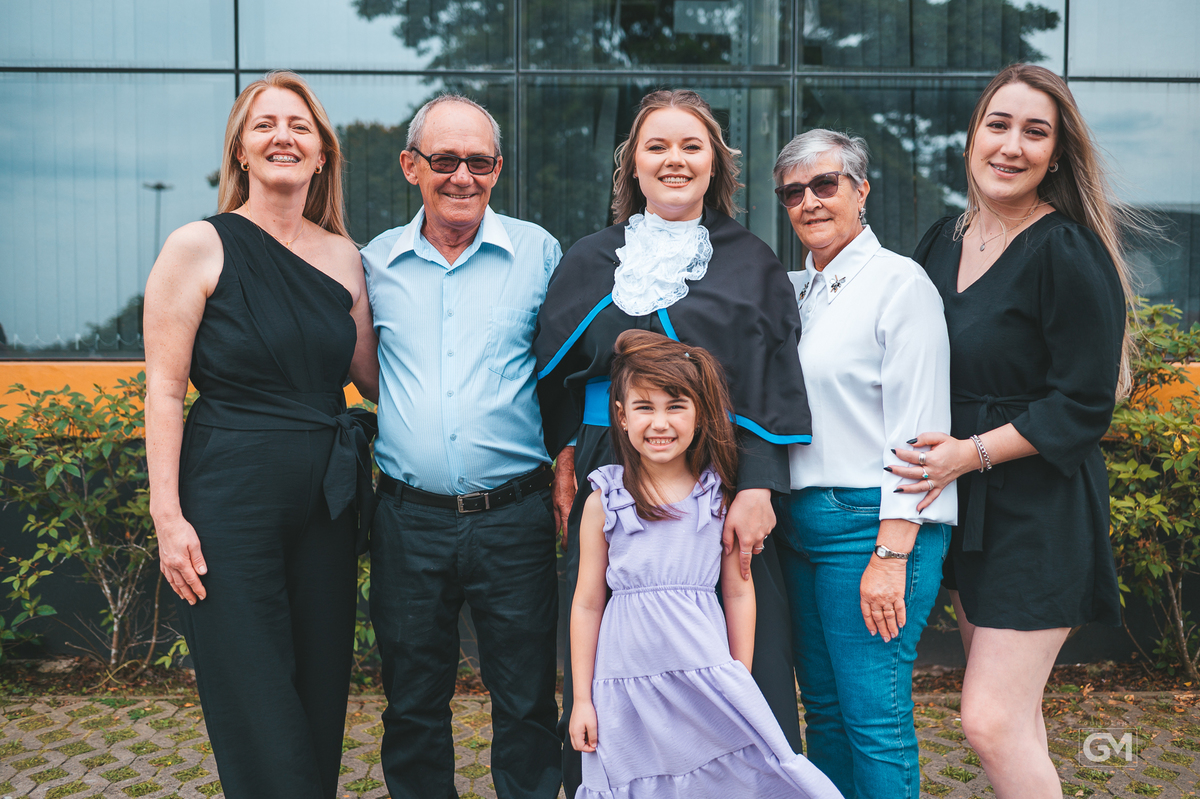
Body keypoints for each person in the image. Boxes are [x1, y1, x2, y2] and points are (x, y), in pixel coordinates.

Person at [535, 89, 812, 798]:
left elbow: (772, 376)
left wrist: (759, 484)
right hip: (608, 460)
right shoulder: (592, 257)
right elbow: (557, 375)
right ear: (632, 164)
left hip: (724, 469)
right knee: (605, 628)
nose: (674, 160)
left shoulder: (751, 260)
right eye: (656, 146)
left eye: (692, 146)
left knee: (745, 637)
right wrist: (564, 457)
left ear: (716, 163)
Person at [144, 71, 379, 799]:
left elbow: (376, 379)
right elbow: (164, 389)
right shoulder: (198, 245)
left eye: (299, 126)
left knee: (320, 689)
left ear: (322, 153)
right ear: (240, 151)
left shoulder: (345, 256)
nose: (284, 137)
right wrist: (167, 516)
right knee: (254, 694)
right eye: (265, 125)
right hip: (228, 498)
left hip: (327, 503)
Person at [906, 64, 1133, 799]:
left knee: (991, 722)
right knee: (1017, 722)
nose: (1011, 145)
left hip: (1039, 512)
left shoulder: (1066, 249)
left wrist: (967, 454)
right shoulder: (942, 239)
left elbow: (1083, 404)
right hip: (969, 508)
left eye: (1035, 132)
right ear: (971, 138)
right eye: (997, 125)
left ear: (1057, 155)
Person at [359, 94, 562, 799]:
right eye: (444, 160)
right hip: (407, 520)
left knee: (528, 700)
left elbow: (564, 370)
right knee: (412, 703)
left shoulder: (539, 253)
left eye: (479, 161)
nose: (462, 177)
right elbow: (366, 373)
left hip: (515, 516)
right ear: (410, 165)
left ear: (498, 168)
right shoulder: (374, 263)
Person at [569, 330, 841, 799]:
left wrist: (740, 675)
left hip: (704, 674)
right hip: (625, 685)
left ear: (700, 414)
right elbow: (587, 603)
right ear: (622, 415)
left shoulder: (718, 498)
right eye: (644, 407)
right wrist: (581, 699)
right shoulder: (604, 500)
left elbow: (738, 590)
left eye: (676, 406)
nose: (659, 423)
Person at [771, 129, 957, 799]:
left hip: (869, 528)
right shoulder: (796, 290)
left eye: (825, 184)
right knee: (824, 714)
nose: (810, 201)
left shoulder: (899, 285)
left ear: (861, 190)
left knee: (874, 720)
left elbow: (920, 434)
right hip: (799, 527)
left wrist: (890, 553)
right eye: (793, 192)